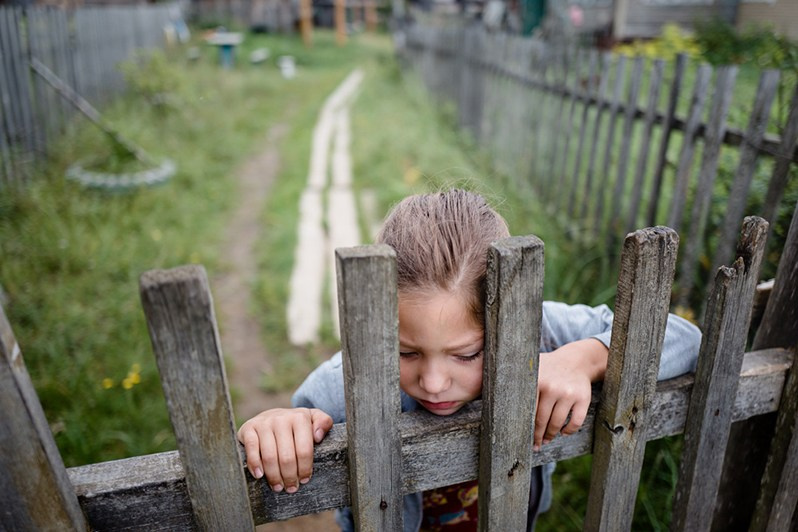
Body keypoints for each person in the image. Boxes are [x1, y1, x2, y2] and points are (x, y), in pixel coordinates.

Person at [238, 189, 701, 531]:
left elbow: (685, 338)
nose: (434, 382)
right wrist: (280, 425)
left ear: (507, 319)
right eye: (407, 352)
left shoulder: (542, 333)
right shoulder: (352, 379)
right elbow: (300, 418)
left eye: (466, 354)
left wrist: (584, 358)